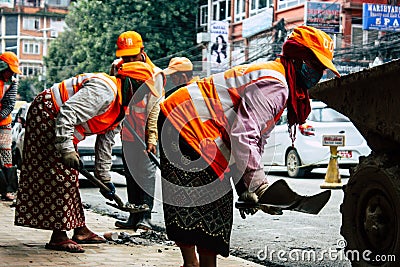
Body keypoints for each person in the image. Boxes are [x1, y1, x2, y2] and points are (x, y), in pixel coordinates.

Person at [158, 25, 340, 266]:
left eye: (322, 69)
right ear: (297, 60)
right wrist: (259, 187)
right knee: (212, 205)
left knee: (205, 201)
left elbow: (253, 138)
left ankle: (192, 263)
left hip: (180, 118)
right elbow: (243, 135)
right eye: (315, 66)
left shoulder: (275, 76)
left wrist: (246, 187)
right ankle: (194, 264)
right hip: (186, 123)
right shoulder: (276, 84)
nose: (318, 74)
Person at [14, 61, 157, 253]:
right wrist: (66, 148)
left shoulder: (120, 109)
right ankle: (59, 236)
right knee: (60, 177)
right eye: (144, 91)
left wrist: (104, 179)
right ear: (131, 84)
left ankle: (80, 230)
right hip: (47, 112)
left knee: (70, 178)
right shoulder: (104, 91)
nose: (144, 97)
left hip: (60, 121)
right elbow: (67, 113)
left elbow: (105, 144)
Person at [111, 31, 164, 231]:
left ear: (142, 52)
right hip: (128, 132)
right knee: (131, 174)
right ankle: (133, 217)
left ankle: (145, 218)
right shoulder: (119, 70)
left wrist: (151, 137)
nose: (130, 60)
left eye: (133, 56)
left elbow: (154, 107)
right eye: (126, 57)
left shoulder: (154, 74)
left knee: (146, 175)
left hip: (146, 133)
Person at [0, 52, 20, 201]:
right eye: (9, 70)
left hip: (3, 122)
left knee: (6, 153)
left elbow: (9, 105)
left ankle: (9, 190)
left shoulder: (12, 82)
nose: (11, 73)